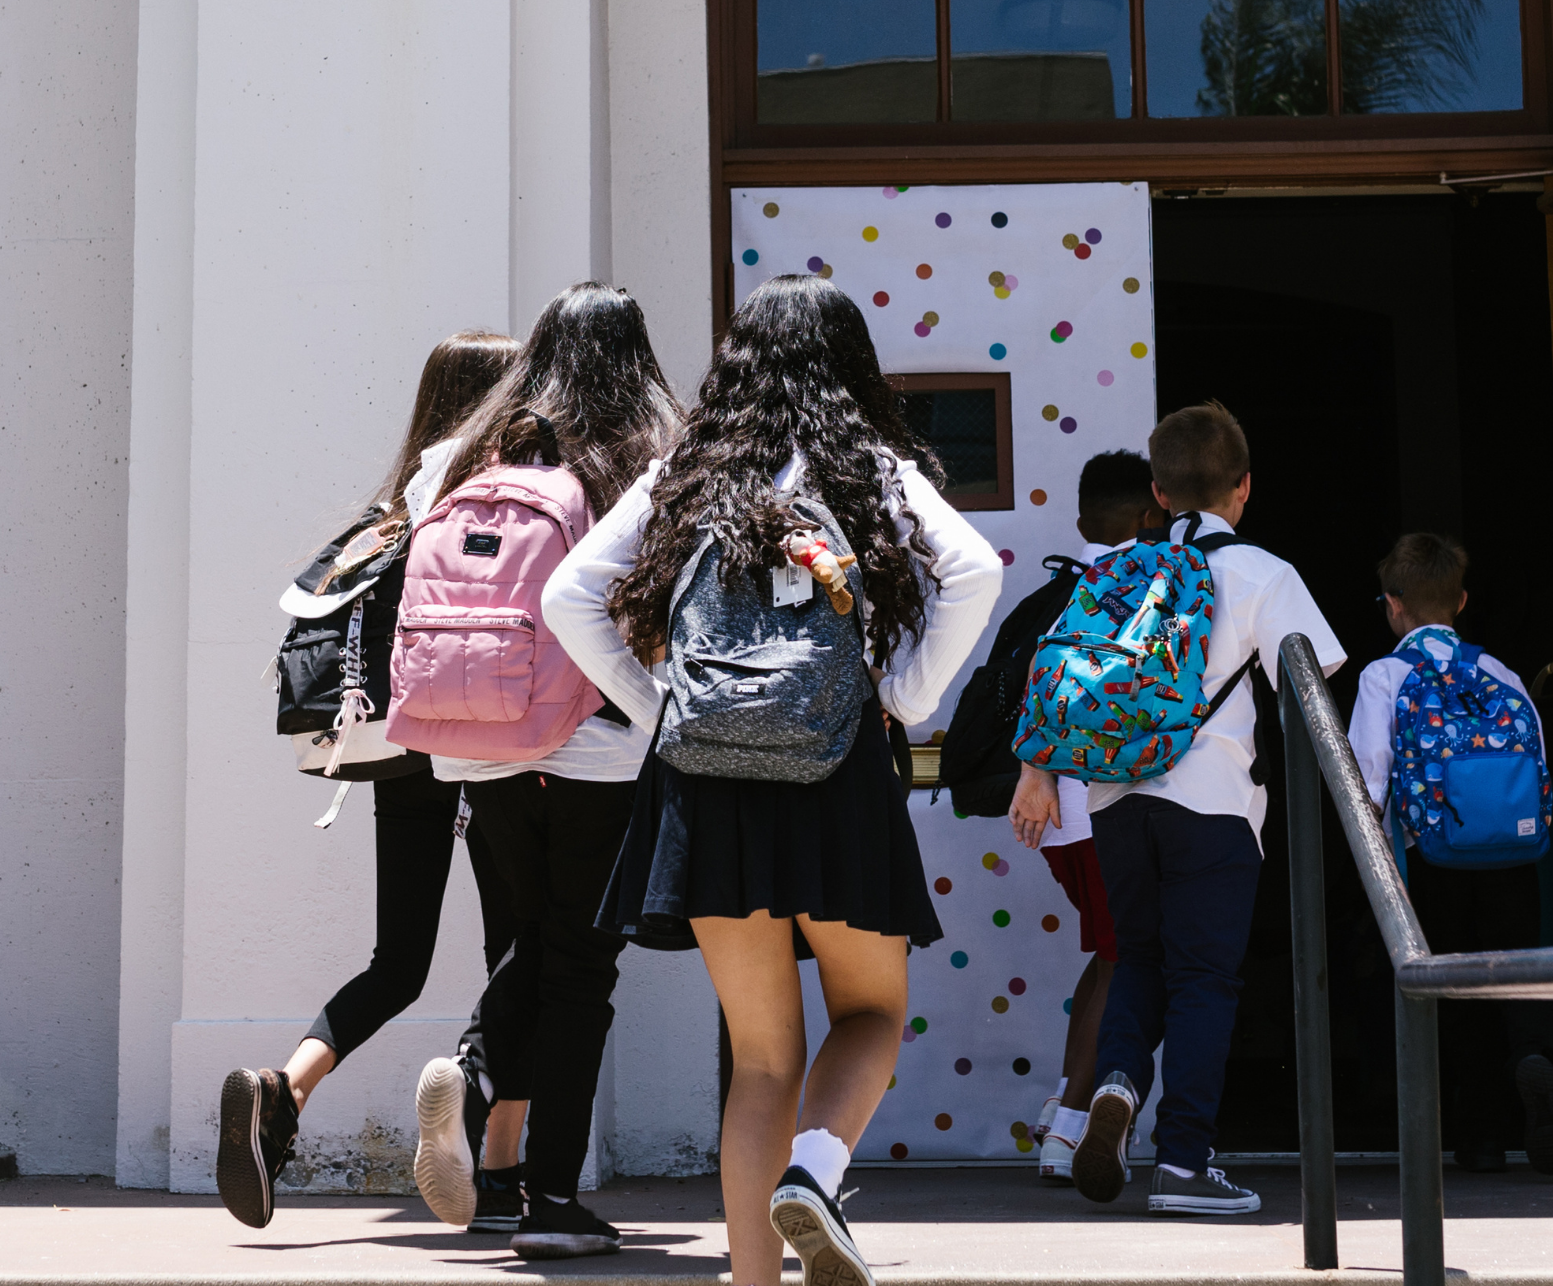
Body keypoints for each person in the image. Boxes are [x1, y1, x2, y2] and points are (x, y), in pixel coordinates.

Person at [547, 274, 1001, 1286]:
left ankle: (755, 1275)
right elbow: (974, 569)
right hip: (836, 767)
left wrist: (654, 697)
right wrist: (904, 693)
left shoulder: (688, 467)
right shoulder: (869, 464)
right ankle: (815, 1170)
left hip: (706, 775)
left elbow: (568, 590)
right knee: (872, 1013)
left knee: (759, 1059)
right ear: (850, 365)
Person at [405, 283, 687, 1258]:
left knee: (529, 935)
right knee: (578, 967)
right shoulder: (647, 459)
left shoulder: (453, 460)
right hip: (599, 745)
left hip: (477, 743)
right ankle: (553, 1199)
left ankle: (475, 1079)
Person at [217, 329, 521, 1231]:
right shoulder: (503, 494)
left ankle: (285, 1087)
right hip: (494, 743)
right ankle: (495, 1157)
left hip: (401, 747)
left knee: (399, 962)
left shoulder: (398, 504)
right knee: (523, 948)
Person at [1012, 401, 1344, 1216]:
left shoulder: (1118, 572)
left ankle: (1118, 1086)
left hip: (1118, 801)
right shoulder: (1265, 574)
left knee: (1140, 958)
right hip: (1216, 805)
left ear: (1157, 494)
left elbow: (1057, 674)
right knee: (1204, 980)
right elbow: (1316, 687)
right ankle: (1187, 1165)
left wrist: (1042, 771)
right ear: (1245, 487)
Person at [1346, 532, 1553, 1175]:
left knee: (1450, 993)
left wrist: (1382, 870)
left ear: (1391, 606)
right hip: (1511, 857)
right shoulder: (1499, 672)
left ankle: (1479, 1139)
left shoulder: (1386, 676)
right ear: (1462, 601)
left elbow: (1368, 777)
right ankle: (1535, 1057)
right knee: (1518, 974)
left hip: (1432, 857)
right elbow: (1537, 765)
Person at [1006, 450, 1164, 1185]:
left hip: (1061, 819)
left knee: (1109, 957)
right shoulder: (1142, 583)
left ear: (1079, 521)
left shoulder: (1066, 589)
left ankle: (1059, 1116)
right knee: (1123, 961)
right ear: (1152, 515)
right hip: (1108, 808)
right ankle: (1070, 1127)